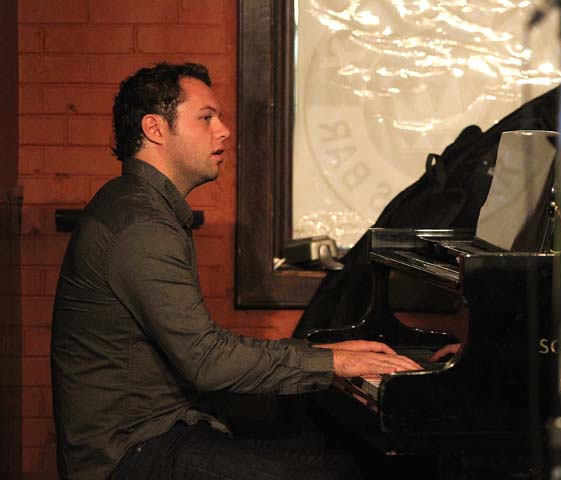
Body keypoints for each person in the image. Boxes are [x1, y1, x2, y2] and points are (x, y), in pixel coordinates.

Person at [51, 62, 422, 480]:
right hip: (130, 451)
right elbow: (206, 360)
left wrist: (328, 357)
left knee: (338, 457)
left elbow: (201, 351)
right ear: (155, 129)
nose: (224, 130)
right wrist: (332, 362)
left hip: (169, 424)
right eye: (206, 118)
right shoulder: (141, 224)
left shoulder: (141, 205)